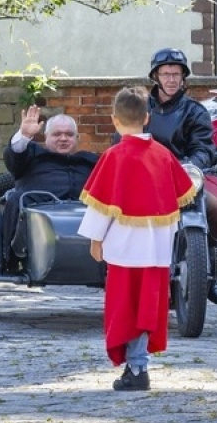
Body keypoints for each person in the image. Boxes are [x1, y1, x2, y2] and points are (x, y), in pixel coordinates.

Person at [79, 86, 196, 391]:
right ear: (147, 118)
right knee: (147, 309)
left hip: (123, 251)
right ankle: (139, 365)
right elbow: (182, 197)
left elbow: (101, 206)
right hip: (157, 252)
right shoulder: (163, 155)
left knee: (125, 310)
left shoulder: (114, 156)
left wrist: (95, 239)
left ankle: (137, 370)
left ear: (114, 120)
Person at [145, 47, 217, 305]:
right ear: (156, 77)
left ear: (183, 78)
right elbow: (125, 137)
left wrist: (191, 166)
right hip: (148, 180)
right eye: (166, 73)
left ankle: (213, 276)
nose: (171, 79)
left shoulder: (195, 111)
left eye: (176, 74)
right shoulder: (141, 107)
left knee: (216, 212)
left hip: (184, 179)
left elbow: (203, 147)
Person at [0, 108, 99, 264]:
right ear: (46, 137)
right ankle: (9, 260)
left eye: (69, 134)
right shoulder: (32, 155)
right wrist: (25, 136)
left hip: (83, 210)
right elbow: (14, 157)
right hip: (38, 205)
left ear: (77, 138)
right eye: (57, 134)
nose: (63, 138)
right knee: (16, 198)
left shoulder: (90, 160)